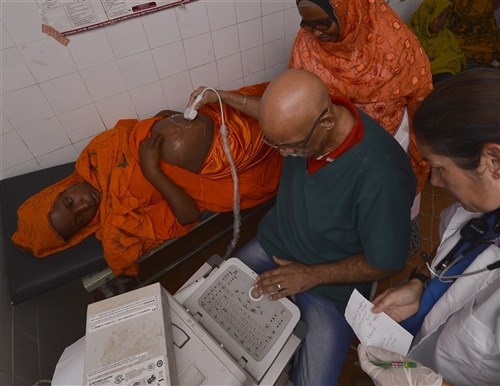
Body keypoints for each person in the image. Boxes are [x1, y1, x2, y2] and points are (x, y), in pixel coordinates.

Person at [189, 69, 417, 386]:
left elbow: (386, 261)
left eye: (290, 147)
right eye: (278, 144)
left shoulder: (382, 174)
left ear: (325, 123)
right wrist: (223, 97)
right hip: (276, 243)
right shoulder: (306, 123)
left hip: (330, 282)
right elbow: (271, 117)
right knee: (205, 317)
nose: (283, 154)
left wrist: (309, 275)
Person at [12, 84, 282, 277]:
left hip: (224, 120)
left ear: (60, 190)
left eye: (70, 202)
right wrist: (153, 171)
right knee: (283, 131)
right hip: (227, 165)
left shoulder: (95, 155)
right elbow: (187, 216)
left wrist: (168, 119)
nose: (84, 206)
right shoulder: (121, 223)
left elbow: (141, 127)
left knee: (280, 106)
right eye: (81, 218)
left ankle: (285, 114)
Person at [358, 68, 500, 386]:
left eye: (438, 167)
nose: (434, 182)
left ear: (493, 160)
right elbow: (462, 251)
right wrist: (421, 283)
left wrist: (426, 383)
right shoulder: (483, 207)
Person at [289, 0, 433, 195]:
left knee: (384, 195)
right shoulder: (306, 41)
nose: (315, 33)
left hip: (388, 136)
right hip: (333, 141)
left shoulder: (391, 38)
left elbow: (420, 91)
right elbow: (299, 90)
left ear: (348, 12)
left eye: (323, 23)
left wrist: (420, 145)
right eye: (307, 24)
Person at [408, 0, 467, 84]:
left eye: (445, 17)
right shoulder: (409, 37)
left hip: (446, 77)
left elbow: (457, 59)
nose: (442, 21)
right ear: (427, 14)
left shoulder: (447, 36)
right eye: (439, 15)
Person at [448, 0, 500, 68]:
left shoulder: (485, 4)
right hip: (460, 56)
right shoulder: (454, 5)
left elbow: (492, 32)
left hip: (487, 55)